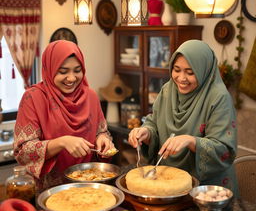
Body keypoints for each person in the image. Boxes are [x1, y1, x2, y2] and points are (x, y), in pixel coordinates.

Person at [128, 40, 238, 194]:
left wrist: (191, 140)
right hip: (167, 183)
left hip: (207, 191)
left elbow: (224, 150)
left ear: (203, 70)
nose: (181, 78)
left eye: (190, 72)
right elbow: (154, 122)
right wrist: (146, 132)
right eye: (176, 69)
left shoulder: (218, 98)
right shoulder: (168, 90)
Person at [13, 40, 115, 191]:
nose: (72, 78)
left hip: (90, 185)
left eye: (77, 70)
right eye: (63, 71)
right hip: (50, 191)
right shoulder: (33, 98)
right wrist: (62, 142)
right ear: (50, 69)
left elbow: (101, 132)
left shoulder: (90, 96)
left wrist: (103, 140)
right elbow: (23, 151)